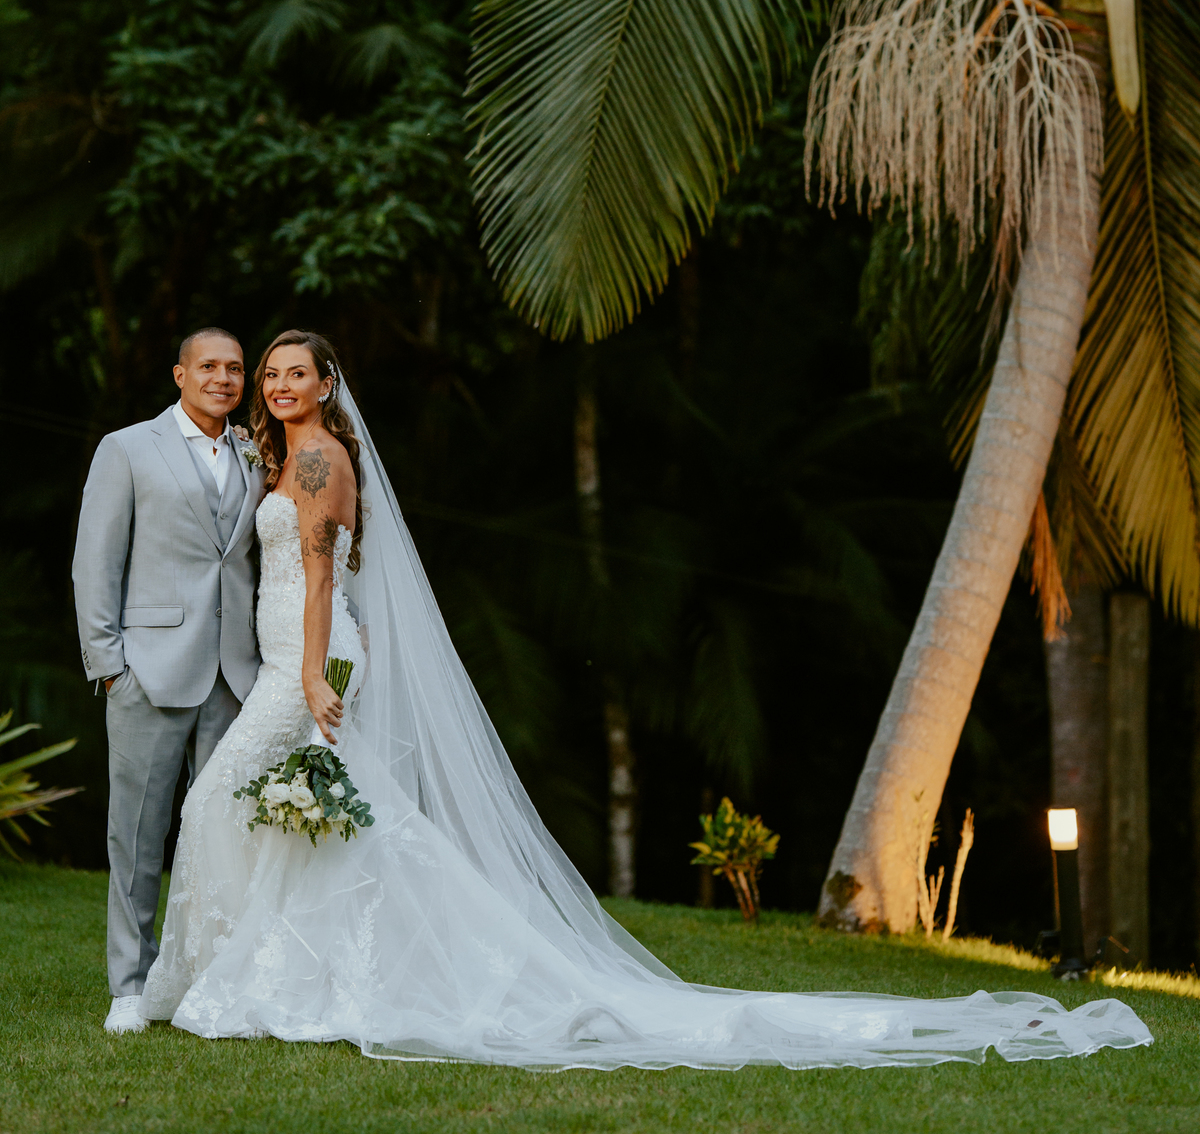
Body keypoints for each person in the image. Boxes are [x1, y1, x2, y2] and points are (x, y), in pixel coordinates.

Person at [140, 329, 1152, 1069]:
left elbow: (321, 576)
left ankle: (278, 975)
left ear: (327, 384)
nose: (275, 387)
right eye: (265, 375)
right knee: (315, 818)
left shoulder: (318, 457)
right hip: (299, 656)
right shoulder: (291, 453)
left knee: (237, 798)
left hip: (307, 661)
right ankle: (282, 972)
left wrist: (313, 674)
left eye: (292, 373)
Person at [73, 328, 267, 1035]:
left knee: (222, 832)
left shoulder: (254, 450)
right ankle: (129, 983)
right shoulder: (127, 448)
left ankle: (207, 977)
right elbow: (94, 562)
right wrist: (109, 667)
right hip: (147, 672)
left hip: (235, 671)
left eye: (235, 368)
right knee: (137, 832)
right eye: (209, 366)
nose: (223, 377)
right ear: (179, 373)